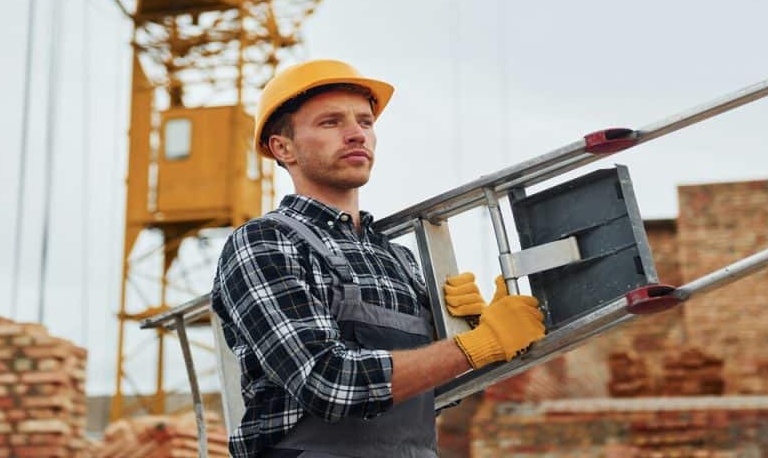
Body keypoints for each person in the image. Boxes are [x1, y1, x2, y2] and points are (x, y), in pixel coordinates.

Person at [211, 59, 546, 458]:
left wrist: (474, 331)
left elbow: (428, 392)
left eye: (365, 122)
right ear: (283, 148)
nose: (356, 134)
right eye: (331, 122)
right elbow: (327, 382)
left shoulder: (397, 258)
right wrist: (475, 346)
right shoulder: (265, 242)